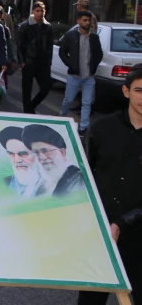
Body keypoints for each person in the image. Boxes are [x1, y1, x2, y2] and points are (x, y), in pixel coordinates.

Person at [79, 64, 142, 305]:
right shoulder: (101, 128)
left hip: (138, 236)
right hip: (100, 235)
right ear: (126, 91)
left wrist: (123, 222)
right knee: (90, 301)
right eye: (139, 90)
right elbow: (81, 177)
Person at [58, 10, 103, 135]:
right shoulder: (71, 35)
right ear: (78, 21)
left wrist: (93, 66)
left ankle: (84, 127)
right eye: (84, 20)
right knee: (68, 100)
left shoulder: (94, 37)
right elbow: (62, 52)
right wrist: (70, 64)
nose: (87, 23)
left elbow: (99, 54)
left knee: (87, 102)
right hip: (74, 75)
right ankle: (62, 119)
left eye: (89, 20)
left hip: (89, 76)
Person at [21, 124, 83, 196]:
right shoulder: (40, 183)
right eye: (36, 153)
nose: (42, 157)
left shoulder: (78, 179)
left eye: (46, 151)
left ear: (62, 153)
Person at [17, 1, 54, 115]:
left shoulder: (48, 27)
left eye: (42, 11)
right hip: (29, 62)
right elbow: (19, 45)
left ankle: (31, 106)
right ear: (33, 12)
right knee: (27, 89)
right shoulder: (25, 26)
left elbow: (50, 45)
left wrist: (49, 61)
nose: (40, 13)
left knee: (46, 88)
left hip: (43, 63)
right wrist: (22, 62)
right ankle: (27, 111)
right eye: (37, 11)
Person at [0, 126, 45, 198]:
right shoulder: (3, 184)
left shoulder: (53, 185)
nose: (17, 160)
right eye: (11, 154)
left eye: (23, 154)